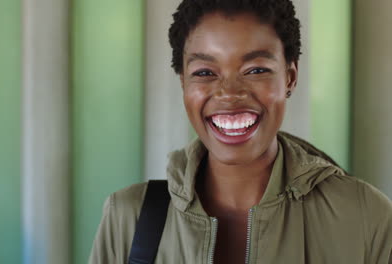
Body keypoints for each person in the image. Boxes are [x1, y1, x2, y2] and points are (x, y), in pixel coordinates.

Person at [89, 0, 392, 263]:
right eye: (205, 73)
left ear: (289, 77)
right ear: (183, 83)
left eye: (256, 70)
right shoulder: (128, 218)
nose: (230, 94)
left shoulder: (366, 217)